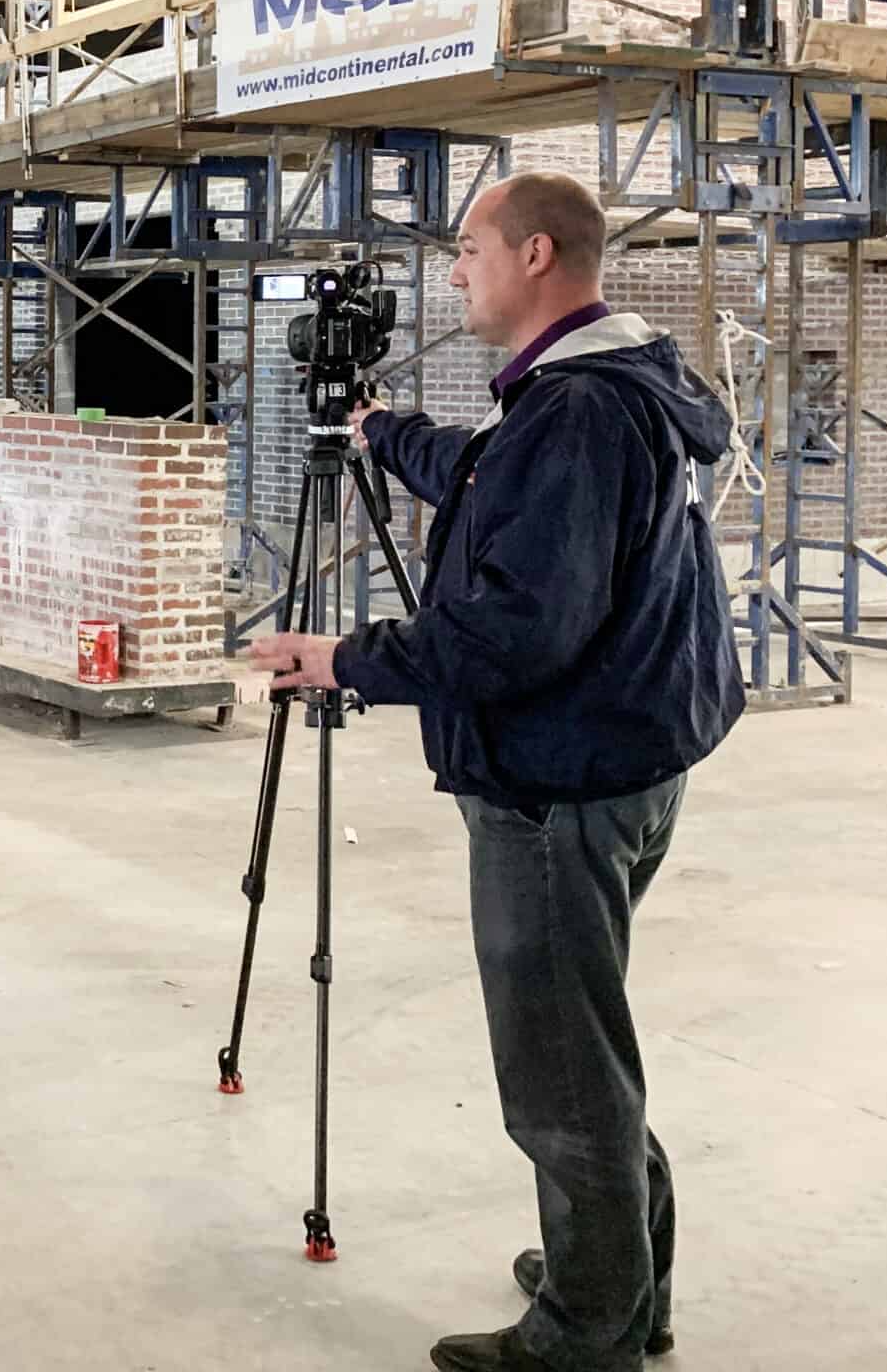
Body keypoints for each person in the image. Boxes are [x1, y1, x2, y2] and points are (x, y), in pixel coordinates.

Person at [251, 171, 744, 1372]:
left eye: (467, 249)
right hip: (621, 759)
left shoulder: (576, 413)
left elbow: (520, 627)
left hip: (554, 786)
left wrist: (343, 657)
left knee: (560, 1067)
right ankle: (619, 1273)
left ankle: (586, 1332)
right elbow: (491, 480)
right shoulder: (605, 390)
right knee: (589, 1036)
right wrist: (380, 433)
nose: (452, 271)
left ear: (534, 255)